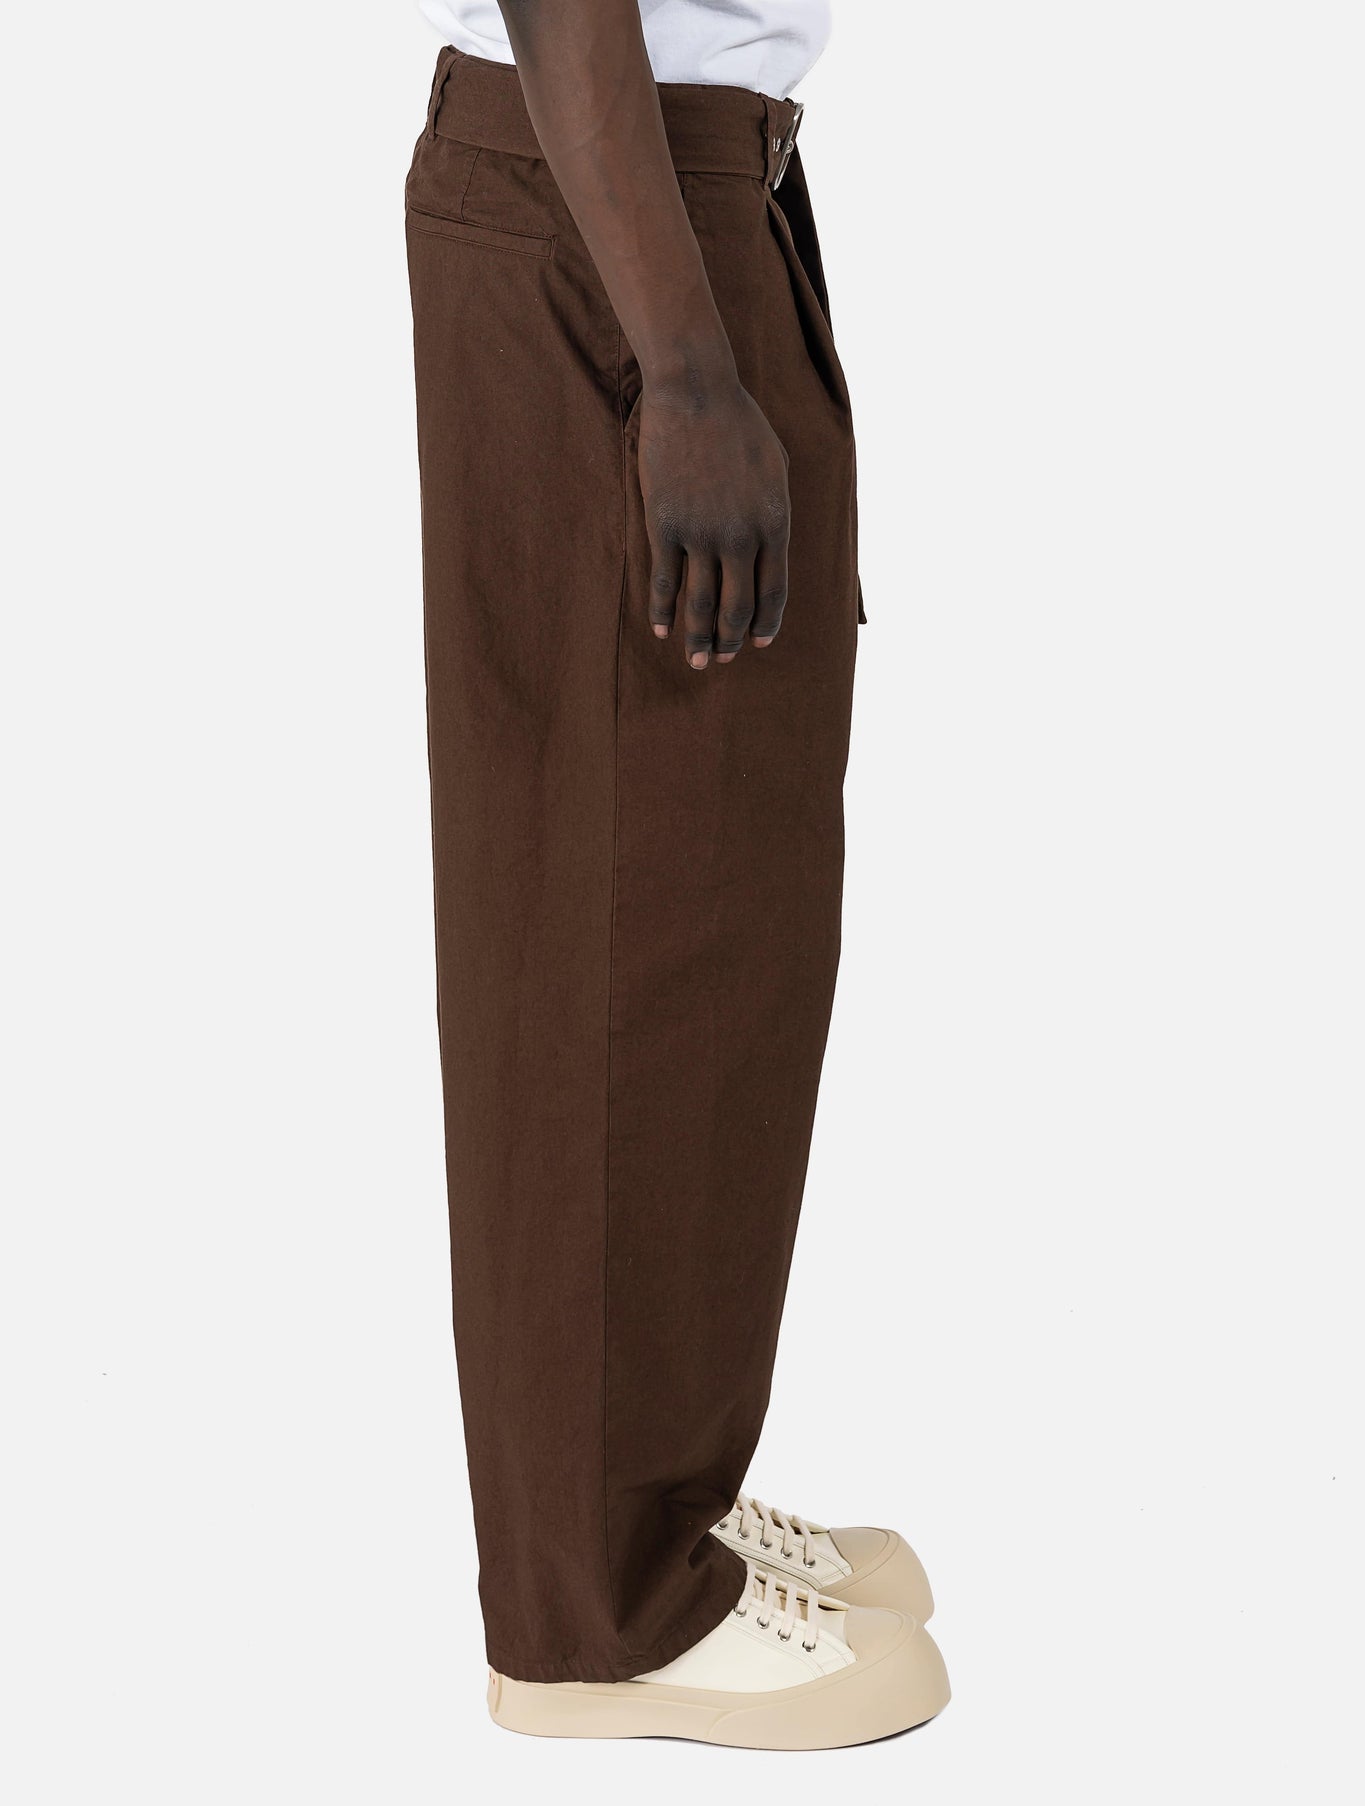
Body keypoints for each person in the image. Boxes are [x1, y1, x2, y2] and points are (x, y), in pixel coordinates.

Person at [407, 0, 949, 1748]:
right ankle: (597, 1608)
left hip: (676, 187)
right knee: (626, 916)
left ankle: (655, 1503)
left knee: (714, 886)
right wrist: (689, 365)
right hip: (617, 211)